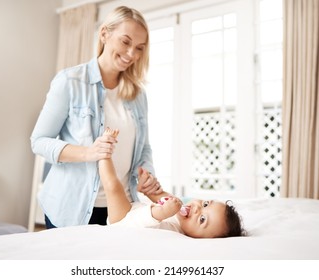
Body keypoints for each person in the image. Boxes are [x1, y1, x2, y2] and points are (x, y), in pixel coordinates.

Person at [30, 6, 162, 228]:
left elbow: (144, 148)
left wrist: (146, 173)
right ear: (104, 34)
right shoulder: (70, 82)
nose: (132, 54)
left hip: (121, 208)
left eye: (139, 48)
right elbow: (39, 141)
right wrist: (89, 152)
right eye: (125, 42)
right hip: (71, 209)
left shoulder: (138, 95)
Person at [100, 127, 245, 238]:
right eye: (205, 204)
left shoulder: (175, 234)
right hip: (134, 210)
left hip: (124, 221)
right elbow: (162, 197)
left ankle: (104, 150)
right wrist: (152, 189)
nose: (196, 209)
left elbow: (151, 220)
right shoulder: (182, 212)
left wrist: (162, 211)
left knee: (113, 186)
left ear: (201, 239)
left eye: (202, 219)